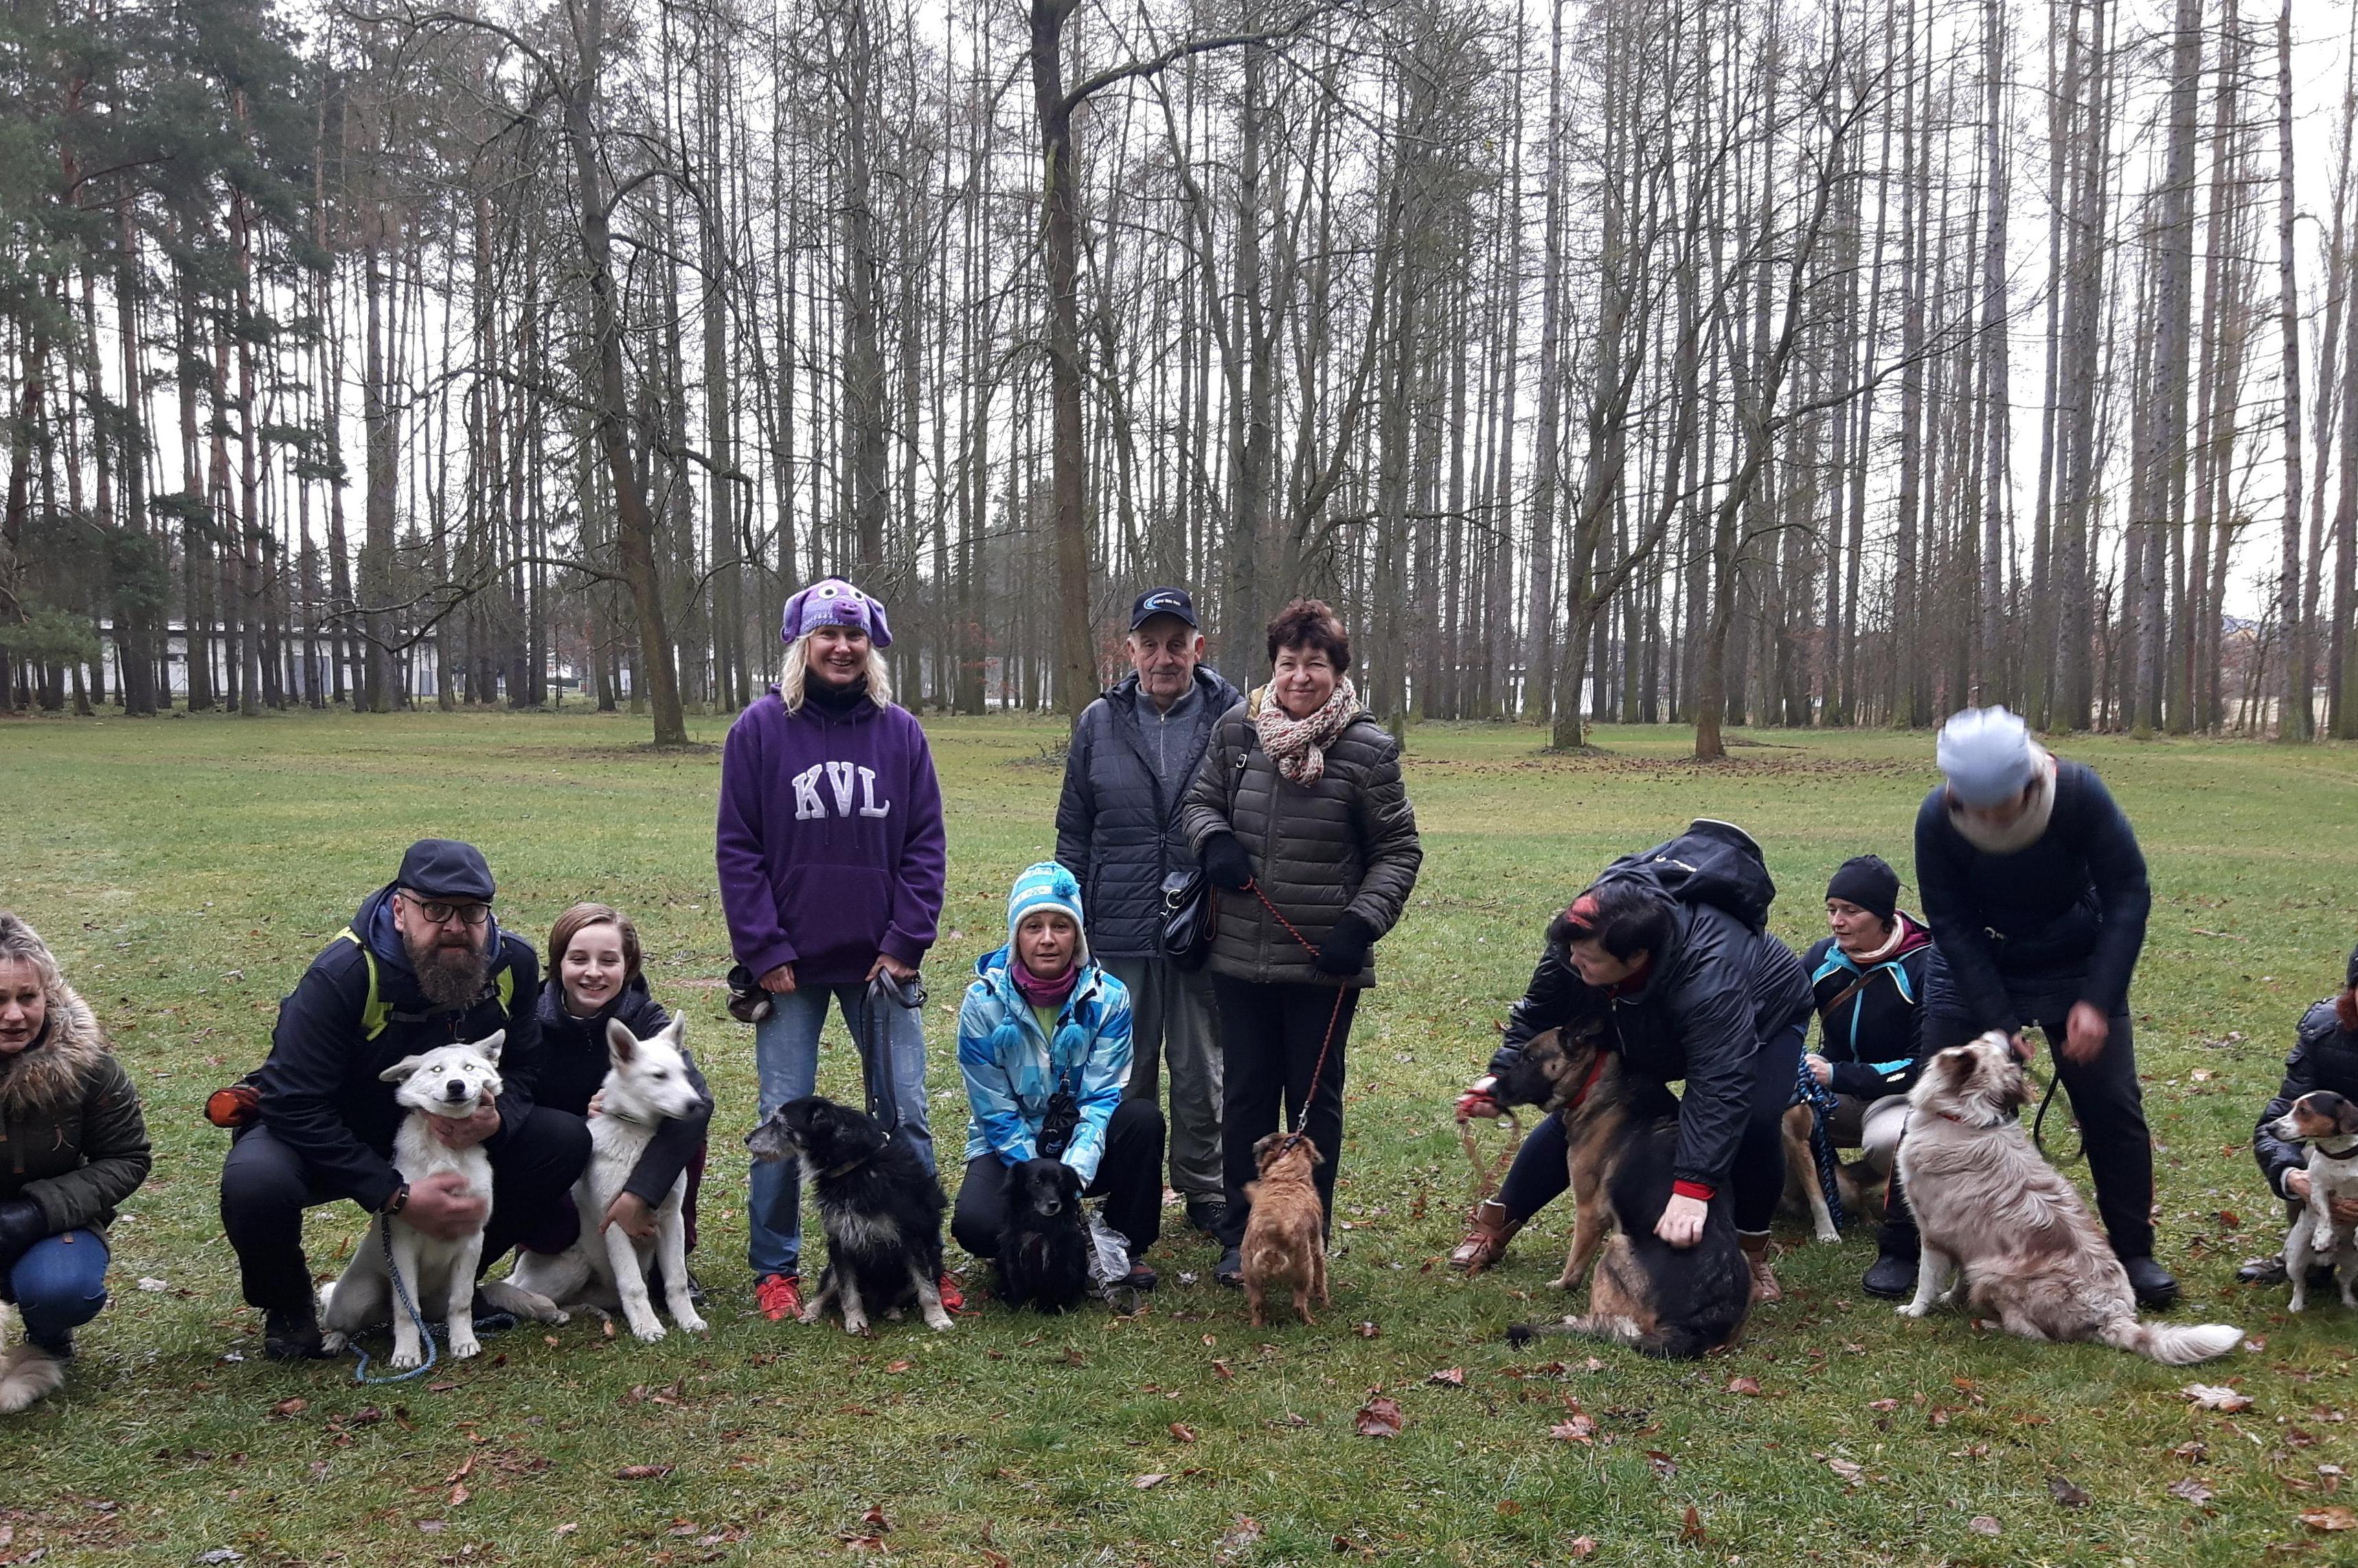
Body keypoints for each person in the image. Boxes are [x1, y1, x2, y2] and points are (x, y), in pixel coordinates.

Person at [218, 840, 587, 1360]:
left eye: (471, 911)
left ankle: (454, 1285)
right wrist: (393, 1193)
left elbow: (526, 1066)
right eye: (435, 909)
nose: (455, 926)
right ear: (399, 909)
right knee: (256, 1182)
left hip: (448, 1128)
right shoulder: (344, 974)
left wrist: (494, 1118)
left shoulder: (511, 965)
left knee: (562, 1139)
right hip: (338, 1126)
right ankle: (288, 1306)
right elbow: (292, 1100)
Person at [716, 577, 949, 1323]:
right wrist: (763, 948)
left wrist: (905, 942)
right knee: (778, 1120)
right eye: (827, 635)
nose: (841, 648)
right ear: (804, 645)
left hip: (881, 964)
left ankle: (927, 1263)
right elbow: (738, 849)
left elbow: (924, 846)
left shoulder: (900, 733)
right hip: (789, 967)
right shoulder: (759, 730)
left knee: (905, 1113)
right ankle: (774, 1268)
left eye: (853, 637)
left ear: (870, 647)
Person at [1179, 598, 1422, 1286]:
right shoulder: (1237, 731)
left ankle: (1310, 1235)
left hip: (1324, 963)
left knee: (1313, 1109)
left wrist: (1361, 924)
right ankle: (1240, 1234)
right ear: (1273, 666)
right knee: (1248, 1097)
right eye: (1289, 663)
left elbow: (1399, 850)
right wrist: (1214, 840)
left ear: (1337, 670)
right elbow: (1198, 804)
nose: (1299, 676)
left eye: (1314, 664)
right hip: (1239, 955)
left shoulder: (1368, 749)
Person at [1449, 856, 1813, 1301]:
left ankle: (1749, 1256)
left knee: (1755, 1119)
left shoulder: (1708, 975)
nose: (1573, 961)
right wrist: (1496, 1076)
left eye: (1588, 958)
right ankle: (1497, 1222)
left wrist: (1691, 1186)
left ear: (1636, 955)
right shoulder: (1580, 934)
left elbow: (1718, 1084)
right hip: (1641, 1012)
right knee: (1588, 1107)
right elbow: (1540, 1008)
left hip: (1762, 1016)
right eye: (1571, 950)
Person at [1912, 705, 2175, 1307]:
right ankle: (1904, 1246)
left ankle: (2133, 1250)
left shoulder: (2079, 793)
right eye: (1970, 806)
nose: (1982, 818)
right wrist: (1998, 1022)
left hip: (2073, 954)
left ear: (2030, 783)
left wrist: (2098, 1001)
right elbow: (1949, 921)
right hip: (1976, 957)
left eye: (1996, 807)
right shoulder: (1936, 817)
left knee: (2109, 1100)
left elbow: (2128, 892)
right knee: (1934, 1098)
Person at [1055, 587, 1242, 1238]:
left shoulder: (1235, 718)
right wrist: (1069, 918)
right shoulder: (1098, 722)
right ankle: (1125, 1182)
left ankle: (1205, 1186)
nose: (1164, 657)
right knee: (1122, 1068)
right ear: (1129, 649)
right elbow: (1074, 829)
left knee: (1200, 1066)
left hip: (1204, 923)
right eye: (1150, 644)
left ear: (1198, 647)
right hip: (1118, 922)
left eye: (1176, 643)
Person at [950, 863, 1164, 1289]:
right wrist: (1037, 1183)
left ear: (1078, 936)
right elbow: (993, 1109)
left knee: (1142, 1120)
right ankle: (1028, 1243)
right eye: (1033, 926)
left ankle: (1123, 1243)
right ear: (1016, 936)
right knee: (975, 1226)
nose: (1047, 939)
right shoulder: (981, 1003)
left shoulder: (1111, 998)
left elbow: (1102, 1097)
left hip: (1083, 1145)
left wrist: (1067, 1184)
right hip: (1011, 1145)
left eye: (1061, 926)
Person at [0, 913, 152, 1413]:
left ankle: (48, 1334)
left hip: (52, 1222)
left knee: (61, 1288)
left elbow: (127, 1157)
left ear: (48, 992)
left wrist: (37, 1211)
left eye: (27, 997)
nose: (15, 1015)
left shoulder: (92, 1067)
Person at [527, 902, 711, 1257]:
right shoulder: (529, 1021)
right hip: (564, 1152)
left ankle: (669, 1253)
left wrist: (641, 1193)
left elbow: (698, 1100)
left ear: (628, 968)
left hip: (629, 1153)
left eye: (609, 961)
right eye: (578, 959)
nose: (594, 972)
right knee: (555, 1238)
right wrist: (584, 1115)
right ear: (557, 964)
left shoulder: (646, 1018)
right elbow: (517, 1101)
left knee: (685, 1121)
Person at [1798, 855, 1933, 1297]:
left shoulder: (1925, 965)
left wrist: (1839, 1073)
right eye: (1832, 909)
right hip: (1832, 1092)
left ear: (1883, 915)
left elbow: (1922, 1066)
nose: (1837, 921)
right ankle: (1819, 1186)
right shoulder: (1821, 957)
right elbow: (1783, 1016)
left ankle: (1871, 1185)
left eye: (1851, 911)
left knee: (1887, 1141)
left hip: (1895, 1096)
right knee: (1769, 1110)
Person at [2241, 944, 2358, 1286]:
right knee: (2310, 1155)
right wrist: (2292, 1177)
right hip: (2343, 1147)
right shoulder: (2322, 1034)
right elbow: (2275, 1124)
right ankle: (2308, 1255)